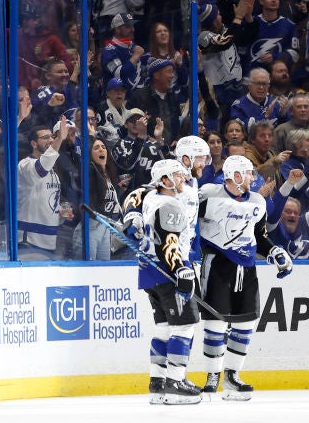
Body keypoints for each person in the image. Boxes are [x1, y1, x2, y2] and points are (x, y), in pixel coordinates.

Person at [198, 155, 293, 400]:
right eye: (249, 173)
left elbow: (259, 236)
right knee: (215, 322)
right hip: (218, 263)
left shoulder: (258, 201)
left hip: (247, 267)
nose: (254, 177)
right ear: (237, 176)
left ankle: (232, 377)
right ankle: (212, 376)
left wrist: (273, 251)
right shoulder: (208, 194)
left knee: (245, 323)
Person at [123, 158, 202, 404]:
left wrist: (130, 218)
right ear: (165, 180)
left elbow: (135, 196)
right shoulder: (170, 204)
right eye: (177, 175)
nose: (183, 178)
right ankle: (175, 382)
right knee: (184, 325)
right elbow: (170, 243)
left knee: (163, 327)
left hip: (150, 272)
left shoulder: (150, 199)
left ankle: (157, 383)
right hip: (169, 273)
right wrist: (181, 271)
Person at [17, 119, 67, 260]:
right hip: (30, 239)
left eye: (52, 136)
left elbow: (48, 202)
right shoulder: (25, 165)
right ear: (33, 143)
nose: (51, 140)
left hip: (50, 240)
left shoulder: (53, 172)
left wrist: (61, 214)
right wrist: (59, 139)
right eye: (45, 137)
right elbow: (41, 168)